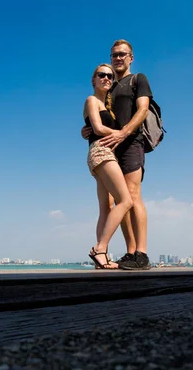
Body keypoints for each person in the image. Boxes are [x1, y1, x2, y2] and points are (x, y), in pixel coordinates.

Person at [81, 40, 152, 270]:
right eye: (114, 55)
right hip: (110, 148)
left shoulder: (138, 79)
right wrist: (87, 130)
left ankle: (141, 253)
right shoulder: (108, 88)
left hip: (130, 142)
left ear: (131, 57)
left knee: (131, 196)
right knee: (114, 202)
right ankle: (129, 251)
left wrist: (124, 133)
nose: (118, 58)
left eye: (123, 54)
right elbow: (98, 117)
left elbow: (143, 109)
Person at [83, 63, 134, 270]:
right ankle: (100, 248)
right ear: (93, 80)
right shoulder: (92, 100)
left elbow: (91, 128)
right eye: (101, 75)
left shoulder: (108, 108)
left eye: (110, 76)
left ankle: (100, 259)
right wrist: (122, 134)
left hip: (103, 153)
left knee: (106, 207)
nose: (106, 78)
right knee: (126, 200)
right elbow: (96, 127)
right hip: (102, 152)